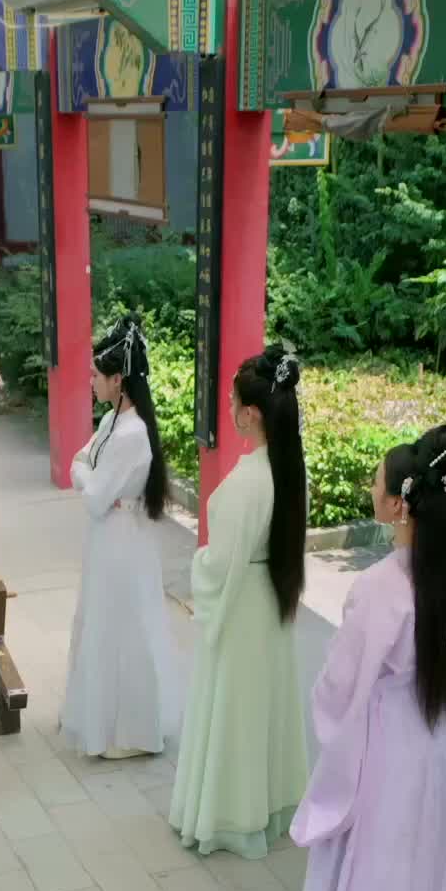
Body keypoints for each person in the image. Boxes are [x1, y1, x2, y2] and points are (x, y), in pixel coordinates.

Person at [291, 421, 446, 891]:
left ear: (400, 505)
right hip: (436, 740)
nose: (371, 488)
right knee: (424, 856)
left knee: (378, 864)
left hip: (386, 746)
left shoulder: (379, 587)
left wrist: (332, 721)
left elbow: (343, 683)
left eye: (376, 482)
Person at [169, 344, 309, 857]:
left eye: (233, 402)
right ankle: (266, 807)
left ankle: (229, 816)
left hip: (242, 603)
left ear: (251, 413)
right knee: (264, 708)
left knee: (234, 710)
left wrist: (199, 566)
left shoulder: (248, 481)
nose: (228, 409)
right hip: (270, 601)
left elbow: (220, 563)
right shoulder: (290, 469)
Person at [60, 314, 179, 760]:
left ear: (118, 380)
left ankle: (133, 731)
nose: (91, 381)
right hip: (108, 535)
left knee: (124, 628)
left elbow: (93, 496)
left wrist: (87, 477)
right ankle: (109, 723)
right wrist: (87, 476)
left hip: (122, 539)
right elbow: (81, 466)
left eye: (96, 375)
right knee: (104, 623)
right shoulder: (112, 420)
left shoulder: (131, 433)